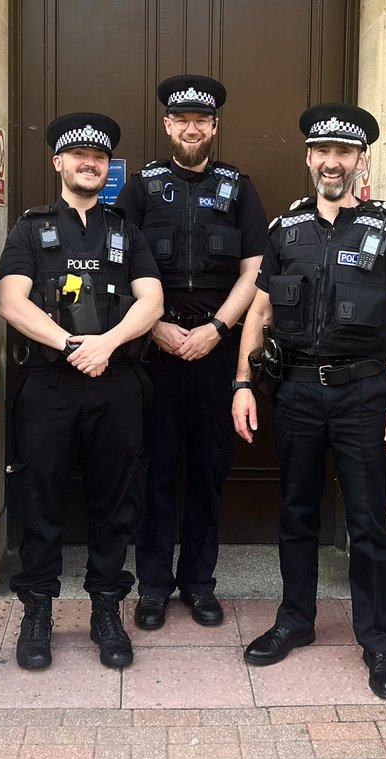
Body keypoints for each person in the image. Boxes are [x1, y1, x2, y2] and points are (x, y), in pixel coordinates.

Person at [231, 103, 386, 700]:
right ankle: (296, 619)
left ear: (360, 160)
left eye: (346, 152)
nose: (333, 162)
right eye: (324, 152)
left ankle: (379, 641)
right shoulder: (285, 230)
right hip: (295, 393)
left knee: (368, 521)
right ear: (310, 159)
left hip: (365, 392)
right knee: (296, 512)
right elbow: (260, 311)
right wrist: (242, 383)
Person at [0, 112, 163, 670]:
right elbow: (11, 302)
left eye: (99, 158)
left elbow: (151, 302)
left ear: (107, 167)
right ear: (59, 163)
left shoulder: (125, 231)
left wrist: (106, 344)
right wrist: (71, 344)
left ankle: (107, 609)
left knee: (115, 500)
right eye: (78, 156)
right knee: (40, 499)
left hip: (115, 385)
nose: (89, 164)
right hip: (49, 385)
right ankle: (38, 610)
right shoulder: (29, 229)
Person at [115, 75, 266, 630]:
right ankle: (153, 586)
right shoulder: (140, 188)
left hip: (215, 351)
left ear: (215, 127)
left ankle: (199, 582)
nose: (192, 128)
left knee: (208, 470)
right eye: (182, 120)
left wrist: (220, 330)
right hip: (154, 351)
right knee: (154, 470)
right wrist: (153, 329)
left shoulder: (238, 189)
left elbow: (257, 270)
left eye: (202, 121)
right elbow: (121, 265)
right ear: (167, 126)